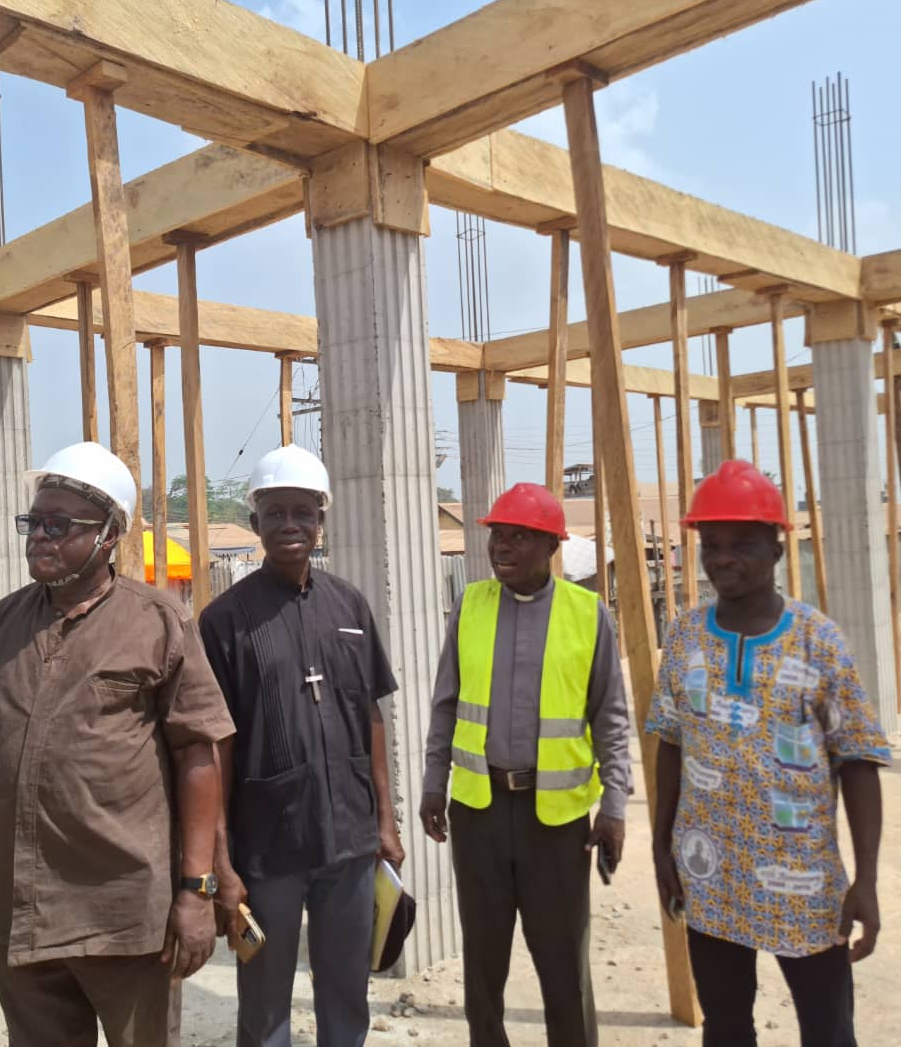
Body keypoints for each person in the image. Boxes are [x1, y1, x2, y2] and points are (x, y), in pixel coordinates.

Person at [0, 442, 235, 1047]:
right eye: (34, 522)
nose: (38, 538)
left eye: (58, 525)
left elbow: (198, 758)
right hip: (22, 913)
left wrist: (197, 891)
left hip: (125, 917)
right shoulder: (0, 625)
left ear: (108, 536)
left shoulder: (159, 623)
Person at [646, 460, 891, 1047]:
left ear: (778, 550)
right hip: (708, 875)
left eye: (743, 545)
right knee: (727, 1027)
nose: (723, 558)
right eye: (713, 544)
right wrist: (661, 846)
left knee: (828, 1030)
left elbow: (856, 762)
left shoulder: (817, 640)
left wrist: (867, 880)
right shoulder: (685, 636)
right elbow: (672, 744)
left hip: (802, 883)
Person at [199, 443, 404, 1047]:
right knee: (264, 1008)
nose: (290, 525)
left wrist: (385, 822)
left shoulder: (350, 606)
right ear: (256, 521)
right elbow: (213, 749)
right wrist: (222, 862)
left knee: (347, 994)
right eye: (275, 512)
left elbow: (370, 716)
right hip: (267, 850)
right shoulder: (225, 621)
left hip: (349, 841)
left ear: (322, 520)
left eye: (304, 512)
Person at [419, 482, 632, 1047]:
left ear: (550, 547)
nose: (501, 548)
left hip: (556, 823)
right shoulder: (471, 604)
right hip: (479, 812)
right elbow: (446, 702)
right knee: (483, 965)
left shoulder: (588, 614)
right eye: (497, 536)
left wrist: (613, 808)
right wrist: (433, 783)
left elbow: (611, 717)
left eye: (518, 537)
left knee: (564, 964)